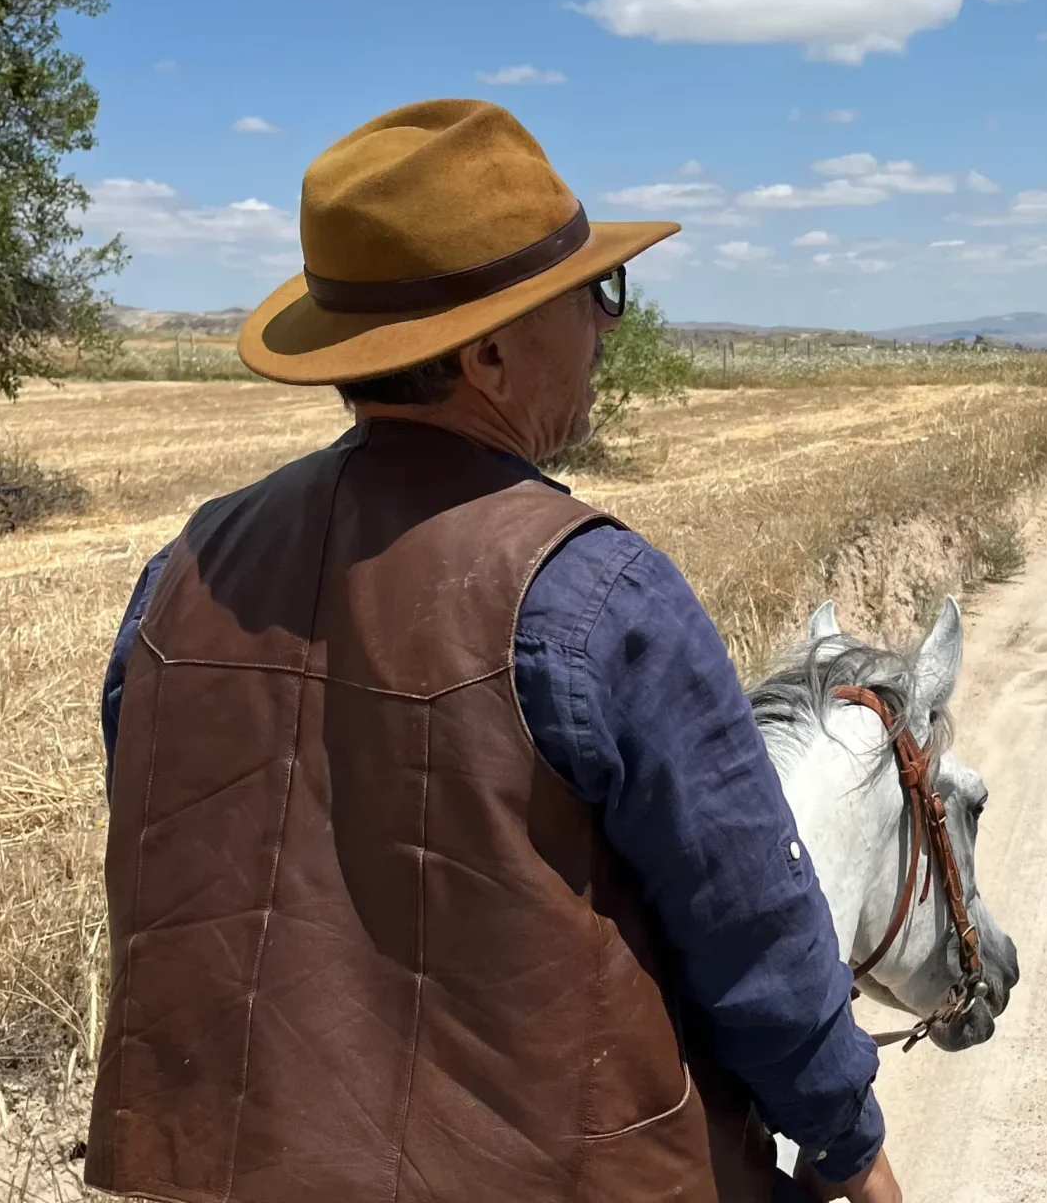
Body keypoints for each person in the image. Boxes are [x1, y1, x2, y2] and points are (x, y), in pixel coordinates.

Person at [86, 99, 902, 1203]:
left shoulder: (182, 571)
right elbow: (751, 926)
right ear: (491, 354)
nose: (609, 328)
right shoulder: (596, 594)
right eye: (594, 297)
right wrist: (850, 1146)